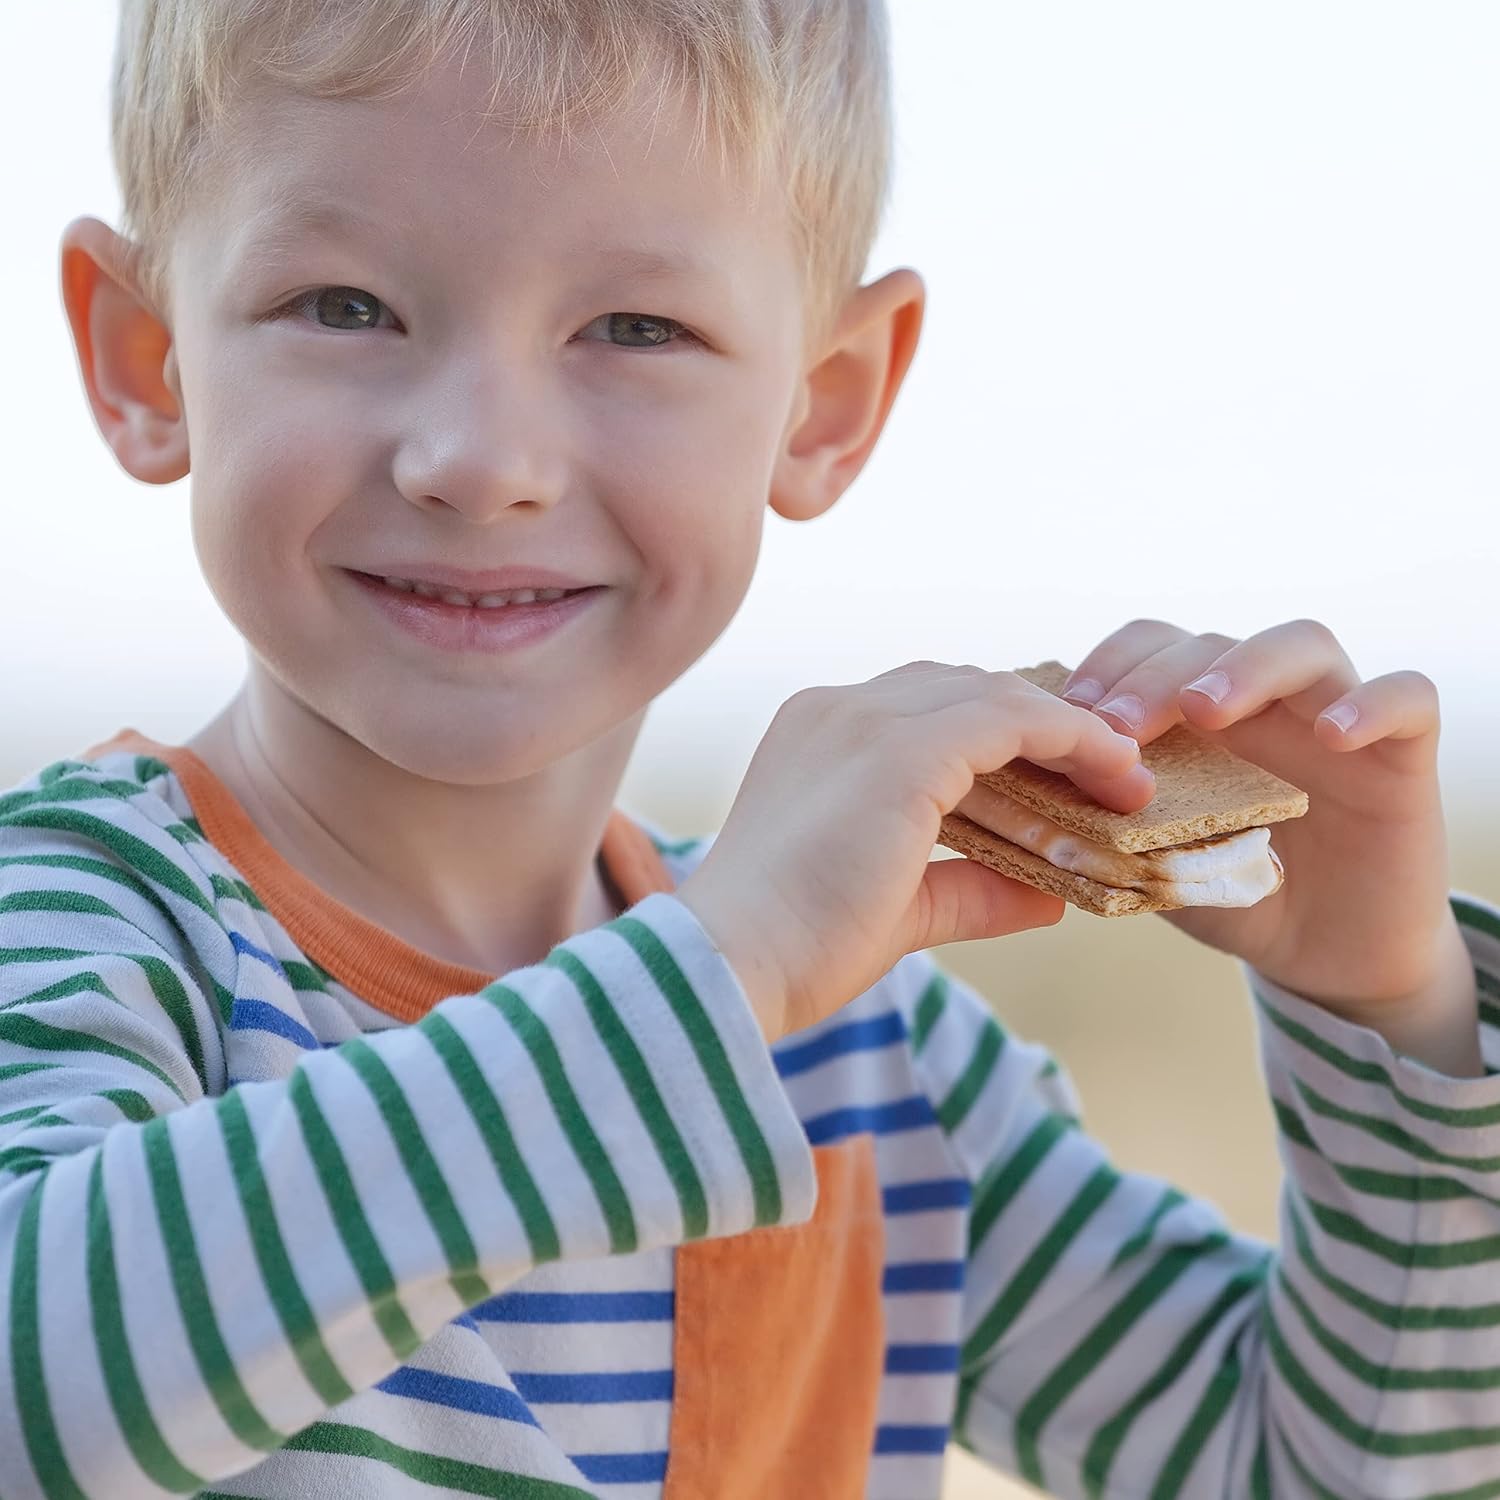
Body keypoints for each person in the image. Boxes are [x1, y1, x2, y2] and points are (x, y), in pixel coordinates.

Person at [1, 1, 1495, 1496]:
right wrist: (719, 973)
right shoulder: (82, 930)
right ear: (148, 360)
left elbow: (1331, 1472)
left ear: (824, 403)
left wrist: (1398, 1011)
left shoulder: (870, 1057)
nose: (480, 461)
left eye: (635, 329)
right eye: (342, 305)